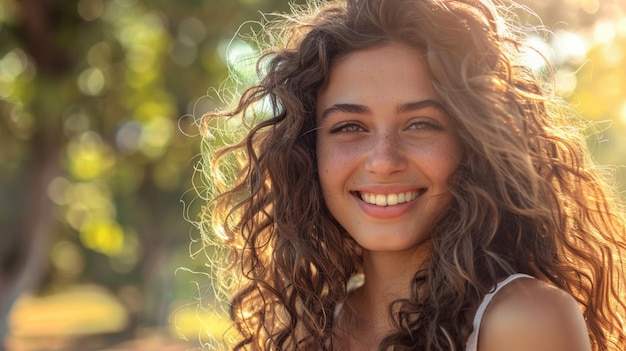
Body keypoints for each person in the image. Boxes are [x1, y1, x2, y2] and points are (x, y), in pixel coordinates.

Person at [197, 0, 626, 349]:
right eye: (350, 127)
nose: (384, 160)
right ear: (308, 154)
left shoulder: (524, 320)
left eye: (420, 124)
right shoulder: (308, 325)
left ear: (472, 145)